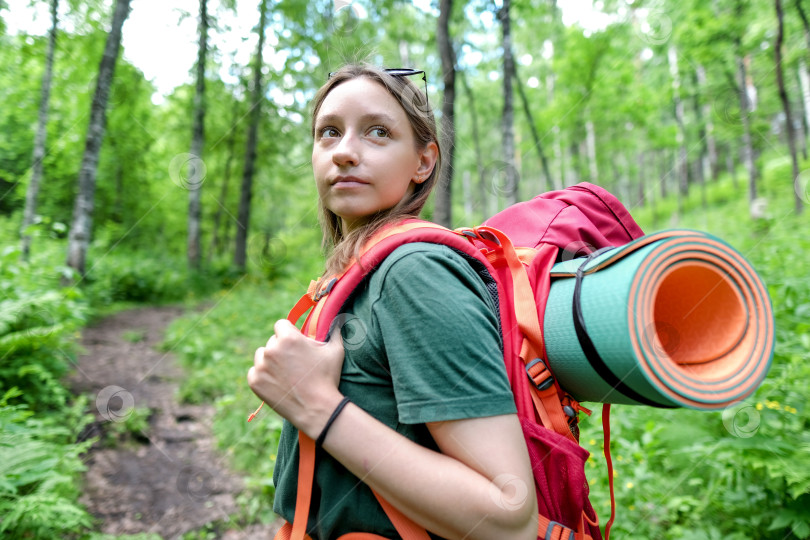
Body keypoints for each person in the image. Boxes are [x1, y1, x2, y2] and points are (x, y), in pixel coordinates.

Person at [247, 63, 538, 540]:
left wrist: (317, 405)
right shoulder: (354, 271)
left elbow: (509, 517)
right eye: (329, 133)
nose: (344, 152)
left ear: (423, 162)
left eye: (377, 132)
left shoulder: (414, 273)